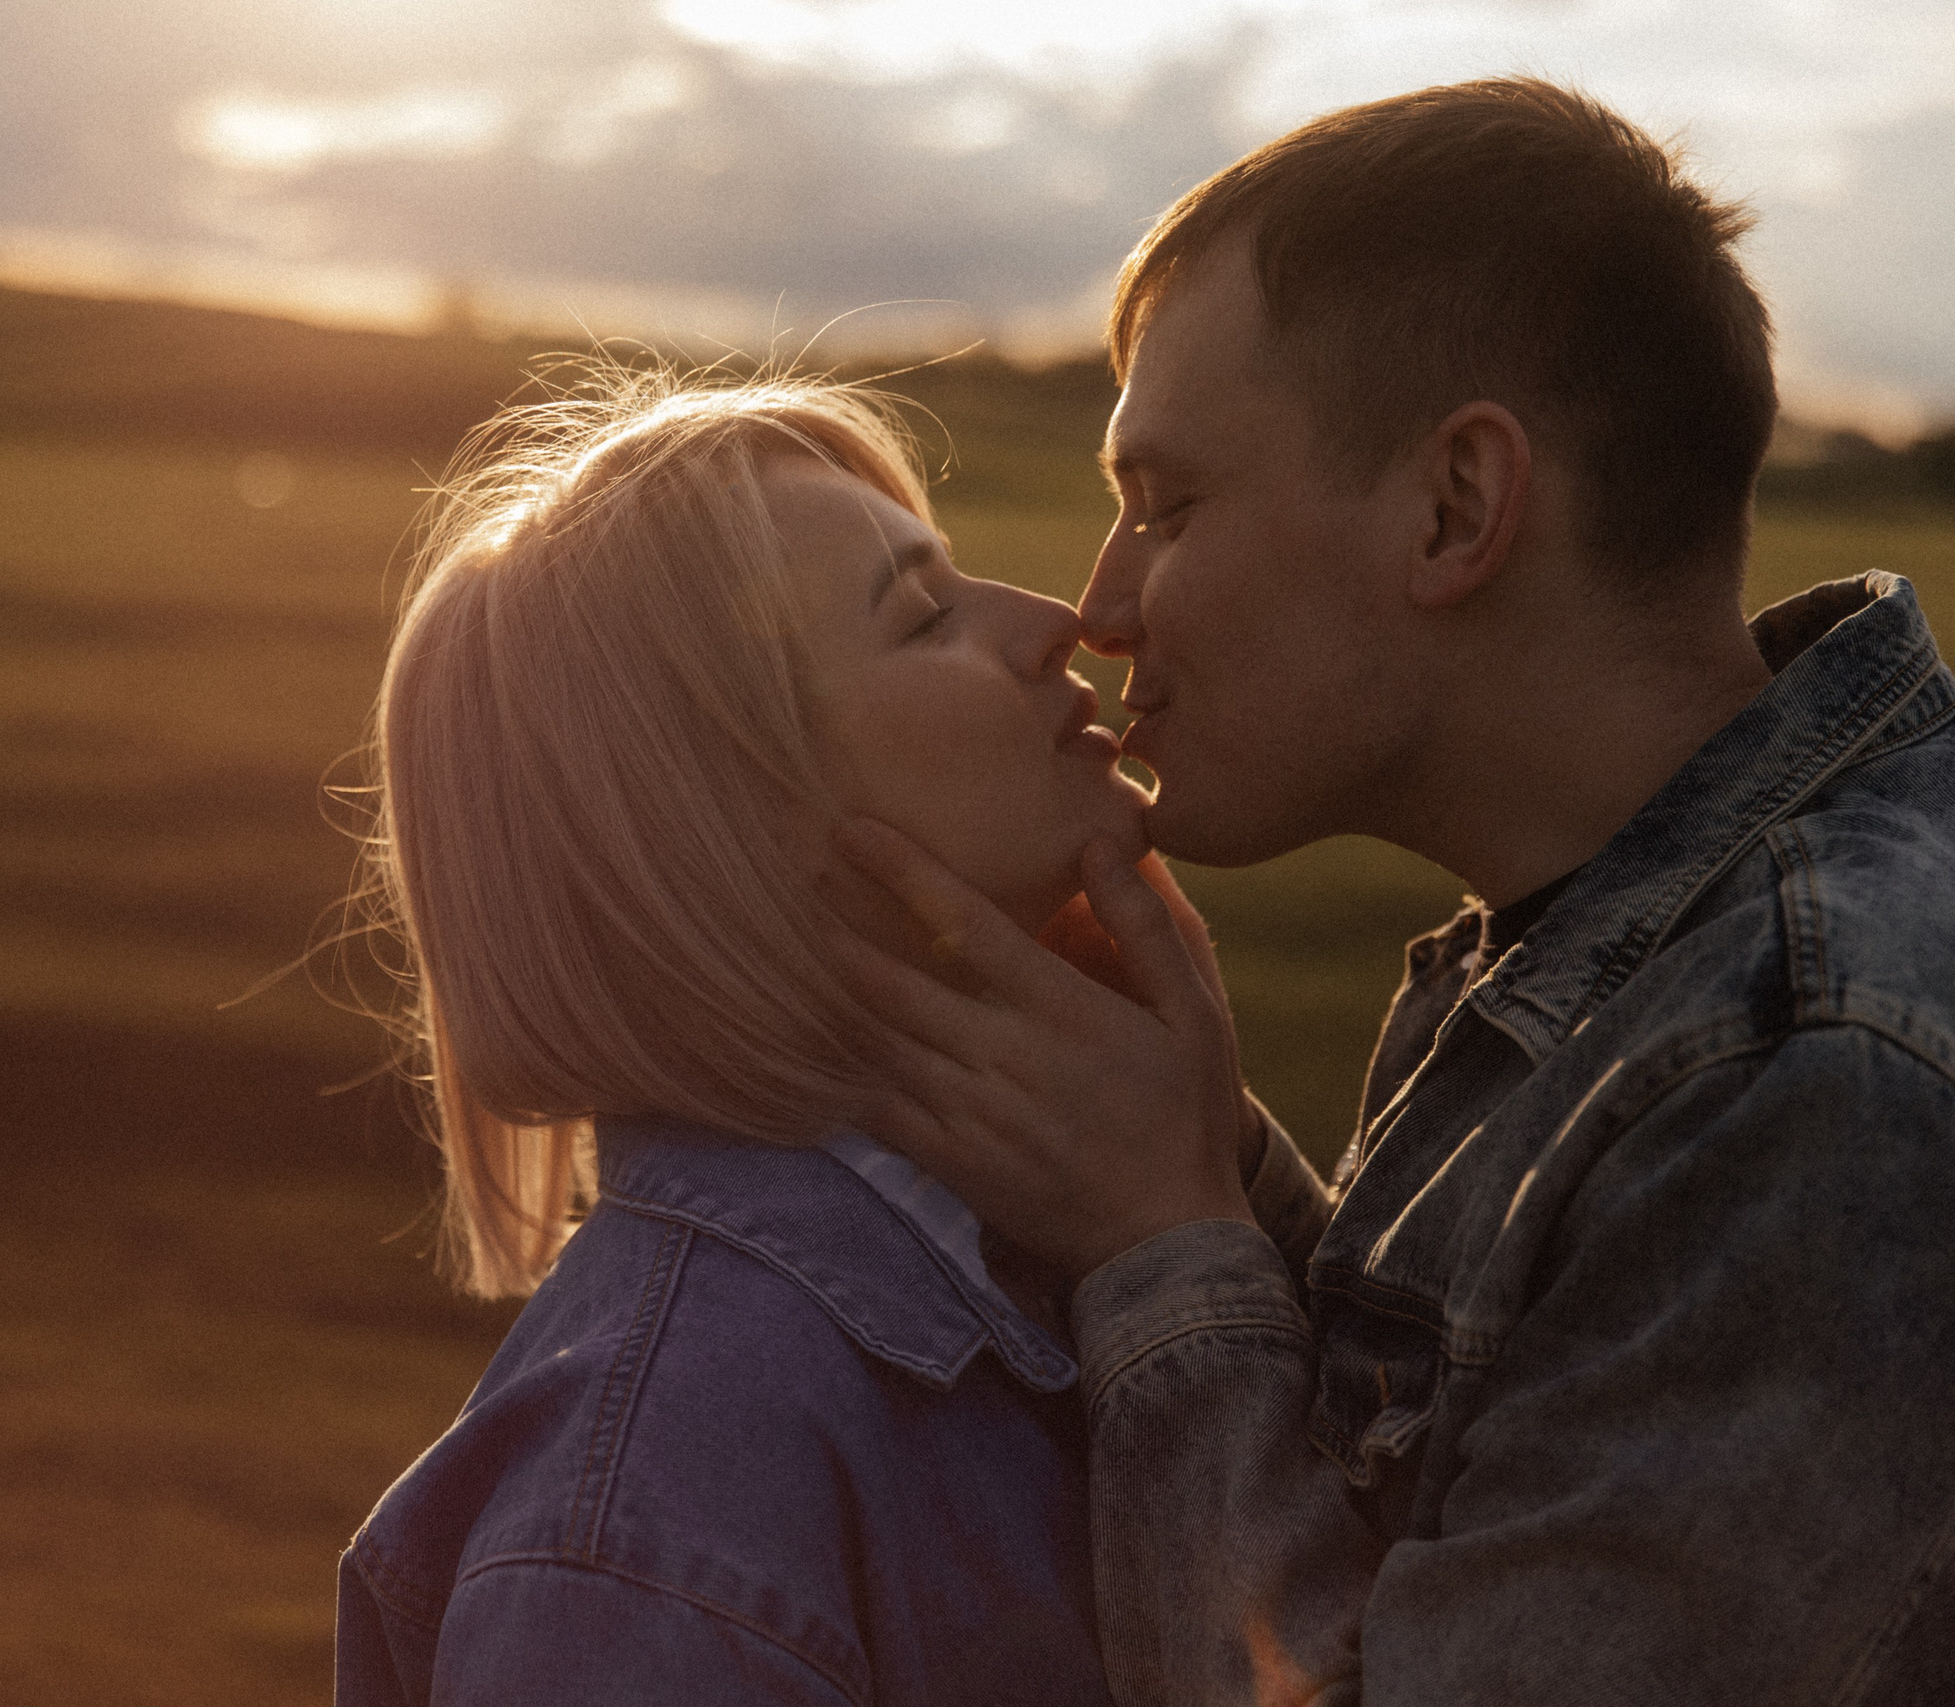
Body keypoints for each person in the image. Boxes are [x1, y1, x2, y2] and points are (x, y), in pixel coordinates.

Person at [833, 78, 1955, 1703]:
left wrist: (1159, 1238)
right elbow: (1466, 1448)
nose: (1100, 608)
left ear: (1455, 507)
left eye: (1169, 506)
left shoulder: (1830, 1078)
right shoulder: (1648, 944)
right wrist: (1209, 1156)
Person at [330, 368, 1325, 1705]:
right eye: (922, 617)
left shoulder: (1056, 1247)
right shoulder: (652, 1513)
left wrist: (1214, 1191)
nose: (1059, 624)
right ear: (733, 839)